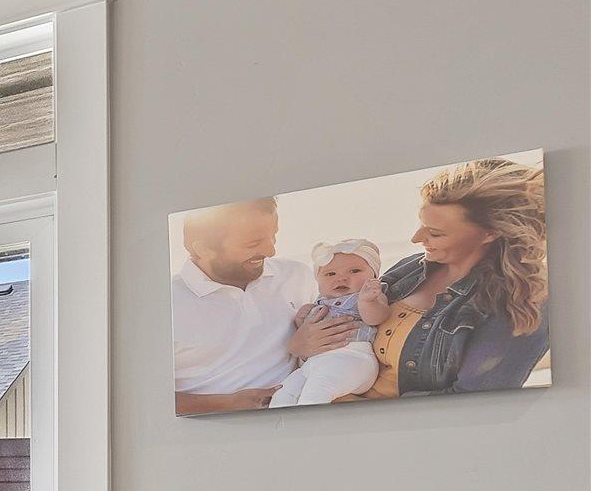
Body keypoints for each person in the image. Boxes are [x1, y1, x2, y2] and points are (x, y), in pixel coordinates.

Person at [369, 157, 553, 398]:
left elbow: (472, 400)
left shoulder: (521, 303)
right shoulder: (410, 269)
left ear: (490, 234)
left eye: (435, 233)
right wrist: (306, 342)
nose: (416, 238)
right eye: (422, 224)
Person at [170, 198, 353, 414]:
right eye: (253, 243)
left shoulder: (297, 275)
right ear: (204, 249)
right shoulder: (163, 304)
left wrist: (305, 348)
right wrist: (225, 404)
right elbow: (141, 399)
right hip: (213, 432)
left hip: (300, 413)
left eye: (273, 235)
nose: (270, 250)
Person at [267, 237, 387, 407]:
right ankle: (277, 428)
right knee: (283, 393)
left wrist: (368, 302)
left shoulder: (367, 297)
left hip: (353, 357)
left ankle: (309, 430)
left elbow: (376, 318)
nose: (341, 278)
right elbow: (307, 337)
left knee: (316, 393)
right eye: (331, 274)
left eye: (354, 271)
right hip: (314, 363)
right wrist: (301, 320)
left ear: (374, 276)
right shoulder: (319, 303)